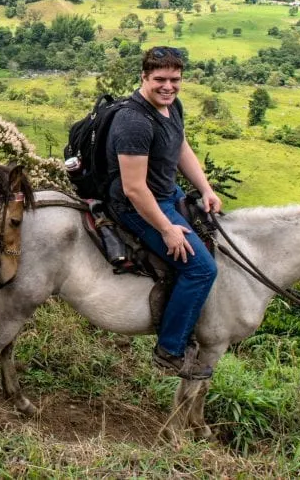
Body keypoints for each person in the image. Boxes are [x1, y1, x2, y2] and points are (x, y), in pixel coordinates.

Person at [106, 46, 221, 379]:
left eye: (175, 79)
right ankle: (169, 349)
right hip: (136, 206)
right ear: (144, 77)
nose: (168, 86)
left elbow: (180, 147)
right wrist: (167, 228)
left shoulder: (173, 106)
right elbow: (134, 189)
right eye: (160, 79)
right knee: (201, 269)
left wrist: (206, 189)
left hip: (169, 194)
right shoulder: (134, 122)